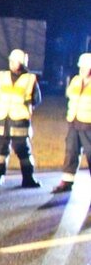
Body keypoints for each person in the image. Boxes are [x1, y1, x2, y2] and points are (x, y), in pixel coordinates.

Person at [0, 48, 42, 187]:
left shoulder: (30, 79)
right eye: (11, 61)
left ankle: (28, 178)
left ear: (21, 63)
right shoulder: (2, 76)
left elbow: (36, 99)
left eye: (14, 61)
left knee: (23, 151)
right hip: (2, 119)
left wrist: (25, 107)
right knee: (0, 151)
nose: (12, 63)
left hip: (19, 121)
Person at [52, 53, 91, 193]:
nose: (81, 69)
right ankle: (67, 181)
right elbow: (70, 95)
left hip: (88, 124)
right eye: (81, 67)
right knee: (71, 152)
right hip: (74, 123)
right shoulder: (76, 80)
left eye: (85, 67)